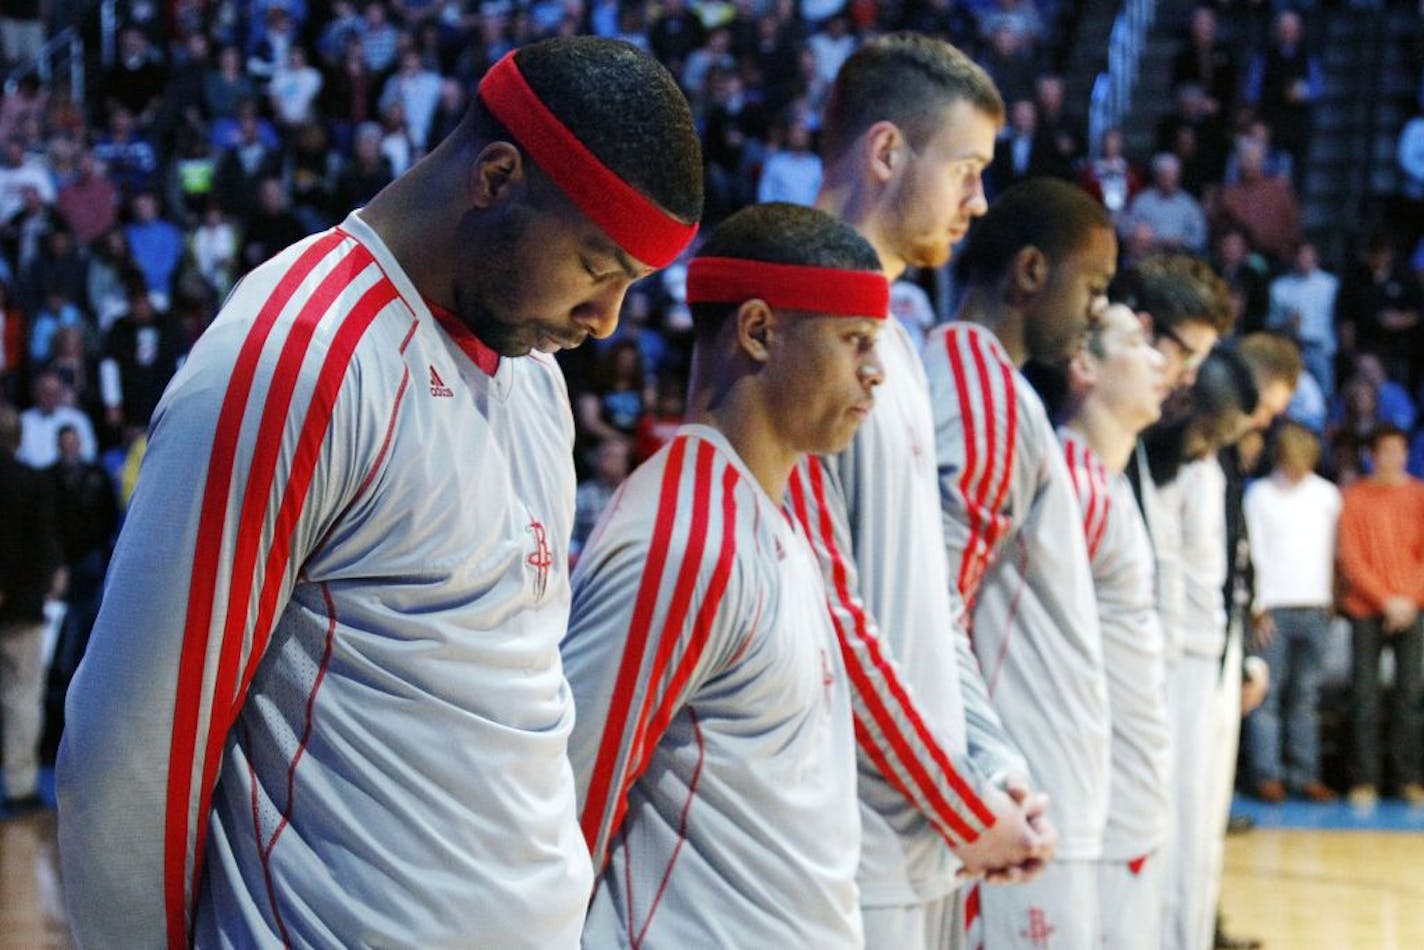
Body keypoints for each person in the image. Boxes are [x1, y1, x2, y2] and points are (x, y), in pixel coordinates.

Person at [57, 37, 704, 948]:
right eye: (600, 269)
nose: (607, 321)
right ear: (497, 176)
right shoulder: (296, 356)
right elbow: (129, 759)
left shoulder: (537, 383)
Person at [565, 202, 889, 945]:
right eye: (855, 341)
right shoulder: (684, 540)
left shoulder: (768, 515)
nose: (875, 374)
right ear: (759, 330)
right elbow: (564, 812)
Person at [792, 34, 1055, 949]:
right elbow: (833, 613)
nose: (981, 202)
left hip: (924, 831)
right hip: (839, 842)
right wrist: (963, 800)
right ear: (889, 153)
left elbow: (932, 602)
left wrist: (992, 766)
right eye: (969, 170)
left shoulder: (895, 343)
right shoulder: (801, 332)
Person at [925, 177, 1118, 948]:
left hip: (1028, 771)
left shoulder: (987, 385)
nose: (1096, 309)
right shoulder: (982, 391)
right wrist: (981, 774)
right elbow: (934, 608)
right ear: (1032, 273)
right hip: (1016, 776)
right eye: (1093, 285)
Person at [1055, 303, 1171, 948]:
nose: (1160, 362)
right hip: (1088, 814)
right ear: (1084, 365)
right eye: (1137, 342)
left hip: (1130, 799)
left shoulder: (1112, 483)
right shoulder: (1068, 485)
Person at [1242, 422, 1340, 803]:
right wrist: (1256, 607)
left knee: (1306, 697)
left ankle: (1305, 774)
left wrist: (1330, 596)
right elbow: (1253, 554)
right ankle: (1267, 775)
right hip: (1273, 609)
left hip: (1315, 606)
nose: (1299, 468)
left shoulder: (1327, 496)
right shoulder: (1260, 495)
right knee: (1266, 696)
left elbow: (1332, 550)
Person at [1336, 424, 1424, 807]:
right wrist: (1385, 599)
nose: (1394, 457)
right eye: (1386, 450)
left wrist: (1408, 598)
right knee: (1364, 697)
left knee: (1410, 695)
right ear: (1373, 454)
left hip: (1412, 608)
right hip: (1367, 609)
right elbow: (1350, 557)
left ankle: (1407, 778)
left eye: (1400, 451)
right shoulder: (1353, 498)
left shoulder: (1419, 496)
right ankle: (1364, 780)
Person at [0, 404, 64, 817]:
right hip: (23, 607)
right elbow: (44, 545)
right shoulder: (32, 481)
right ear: (18, 437)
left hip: (18, 599)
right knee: (23, 698)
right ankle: (21, 787)